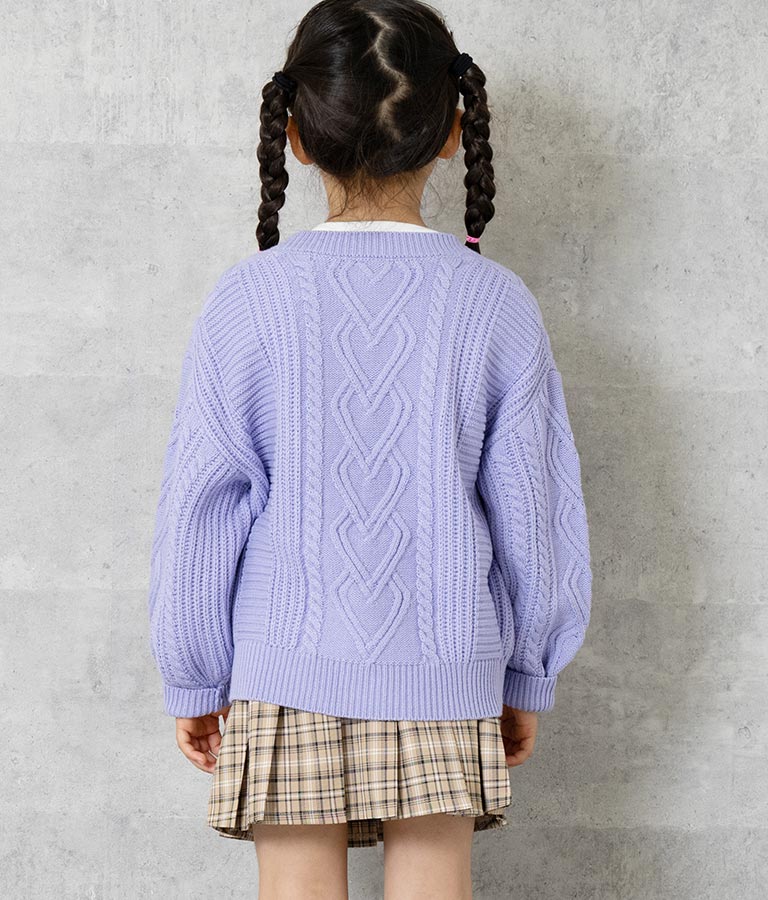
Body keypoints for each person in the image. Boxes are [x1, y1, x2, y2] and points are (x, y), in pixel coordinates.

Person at [147, 1, 592, 896]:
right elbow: (535, 509)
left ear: (296, 137)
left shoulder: (249, 300)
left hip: (284, 662)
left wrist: (195, 672)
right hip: (446, 666)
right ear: (453, 130)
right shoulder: (495, 304)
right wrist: (525, 670)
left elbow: (203, 504)